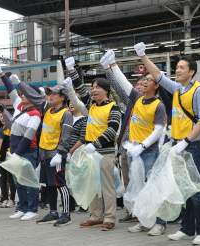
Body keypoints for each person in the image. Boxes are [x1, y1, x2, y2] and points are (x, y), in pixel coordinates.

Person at [135, 42, 200, 245]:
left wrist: (186, 141)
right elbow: (158, 75)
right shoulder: (177, 89)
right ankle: (187, 229)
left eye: (181, 68)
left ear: (192, 72)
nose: (177, 70)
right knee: (183, 189)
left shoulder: (199, 91)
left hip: (192, 146)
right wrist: (143, 56)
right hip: (178, 145)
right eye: (176, 67)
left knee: (194, 190)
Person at [103, 50, 167, 235]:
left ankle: (160, 223)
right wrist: (114, 65)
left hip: (148, 153)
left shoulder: (159, 105)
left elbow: (158, 130)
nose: (145, 82)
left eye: (149, 80)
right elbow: (123, 83)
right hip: (134, 152)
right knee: (138, 188)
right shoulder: (137, 98)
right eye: (144, 80)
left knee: (152, 188)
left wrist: (143, 146)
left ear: (157, 86)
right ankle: (144, 221)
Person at [63, 57, 121, 231]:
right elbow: (80, 88)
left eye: (98, 88)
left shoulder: (113, 108)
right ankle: (96, 216)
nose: (93, 90)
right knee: (93, 185)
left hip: (105, 153)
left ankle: (109, 218)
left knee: (107, 187)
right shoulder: (92, 105)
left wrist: (94, 144)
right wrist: (72, 70)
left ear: (106, 91)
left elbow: (112, 130)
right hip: (91, 153)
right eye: (93, 87)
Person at [11, 73, 73, 226]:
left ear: (63, 97)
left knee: (61, 185)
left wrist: (60, 153)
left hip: (56, 154)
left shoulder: (66, 114)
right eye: (49, 94)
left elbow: (66, 136)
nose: (50, 96)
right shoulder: (47, 109)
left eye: (54, 94)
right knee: (49, 185)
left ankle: (66, 215)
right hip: (45, 155)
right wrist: (20, 83)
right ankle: (53, 212)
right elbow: (34, 95)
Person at [0, 65, 43, 220]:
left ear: (33, 96)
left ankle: (33, 209)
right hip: (15, 151)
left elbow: (28, 136)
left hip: (26, 152)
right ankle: (22, 207)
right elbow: (10, 89)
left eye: (25, 94)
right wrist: (1, 74)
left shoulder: (36, 113)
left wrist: (17, 153)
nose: (22, 96)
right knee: (18, 181)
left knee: (29, 181)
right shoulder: (19, 106)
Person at [0, 112, 16, 209]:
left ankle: (12, 199)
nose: (2, 118)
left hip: (10, 157)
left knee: (11, 179)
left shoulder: (12, 128)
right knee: (3, 179)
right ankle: (5, 198)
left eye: (4, 116)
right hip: (1, 158)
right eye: (1, 117)